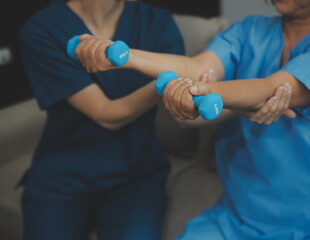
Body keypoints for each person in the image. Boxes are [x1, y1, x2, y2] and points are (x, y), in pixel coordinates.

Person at [74, 0, 310, 239]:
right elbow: (195, 66)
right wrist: (122, 56)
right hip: (237, 215)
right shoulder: (250, 30)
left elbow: (271, 88)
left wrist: (202, 92)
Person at [18, 0, 292, 239]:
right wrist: (167, 81)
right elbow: (107, 114)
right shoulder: (43, 29)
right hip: (63, 178)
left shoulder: (157, 22)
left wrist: (233, 100)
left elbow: (192, 87)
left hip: (135, 176)